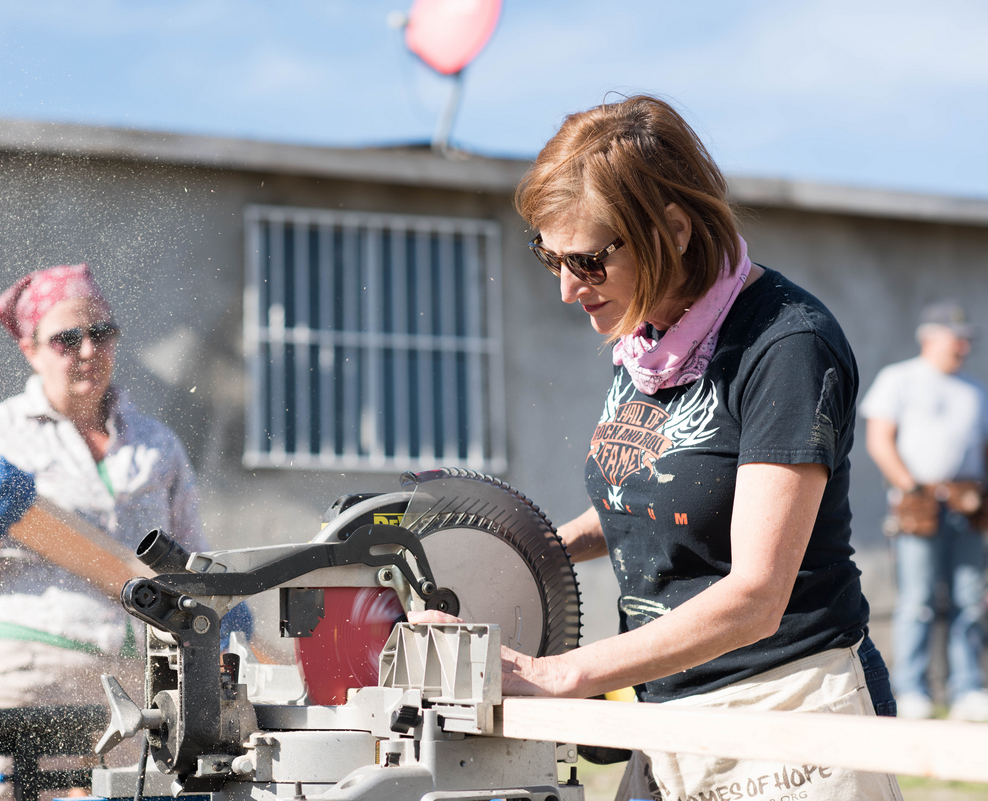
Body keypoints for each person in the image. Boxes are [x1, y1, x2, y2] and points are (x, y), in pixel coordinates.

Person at [413, 96, 900, 801]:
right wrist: (505, 549)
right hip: (668, 712)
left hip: (785, 709)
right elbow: (651, 499)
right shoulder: (650, 340)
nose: (566, 288)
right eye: (548, 256)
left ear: (672, 229)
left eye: (587, 261)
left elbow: (757, 596)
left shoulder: (786, 346)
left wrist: (561, 674)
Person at [0, 264, 244, 801]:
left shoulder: (156, 445)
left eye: (101, 333)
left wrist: (221, 604)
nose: (89, 350)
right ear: (30, 350)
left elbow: (193, 561)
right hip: (26, 670)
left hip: (138, 683)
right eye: (66, 339)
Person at [860, 301, 988, 721]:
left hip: (966, 505)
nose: (964, 347)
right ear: (930, 337)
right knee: (918, 600)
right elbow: (880, 439)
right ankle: (912, 688)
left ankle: (967, 688)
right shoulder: (900, 379)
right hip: (919, 506)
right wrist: (910, 487)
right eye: (957, 338)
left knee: (970, 600)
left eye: (967, 340)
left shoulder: (974, 390)